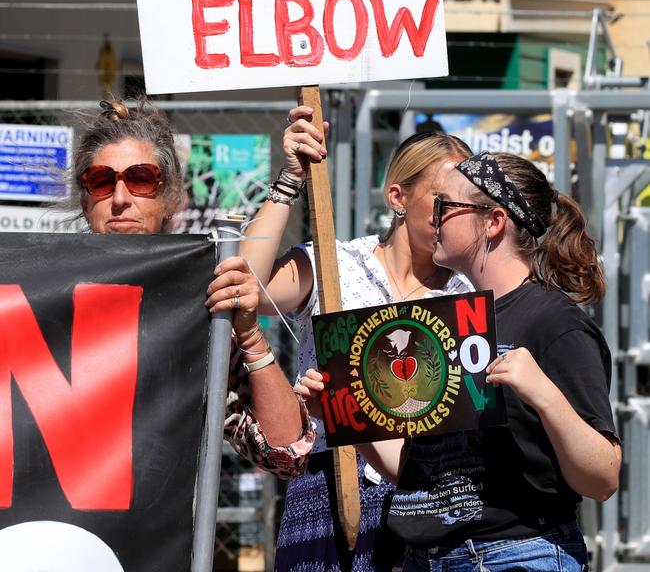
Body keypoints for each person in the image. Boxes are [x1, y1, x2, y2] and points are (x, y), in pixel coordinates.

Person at [226, 104, 472, 572]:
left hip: (433, 498)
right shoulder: (335, 266)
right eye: (443, 197)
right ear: (398, 197)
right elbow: (250, 287)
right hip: (329, 489)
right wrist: (288, 181)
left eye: (466, 201)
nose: (453, 213)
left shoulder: (466, 291)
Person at [359, 151, 621, 572]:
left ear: (494, 222)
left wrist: (544, 394)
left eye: (445, 206)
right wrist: (349, 409)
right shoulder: (450, 320)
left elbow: (603, 478)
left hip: (515, 555)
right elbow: (420, 473)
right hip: (426, 558)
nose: (434, 217)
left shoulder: (553, 322)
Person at [74, 96, 314, 475]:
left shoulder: (200, 306)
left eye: (140, 179)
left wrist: (248, 334)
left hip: (159, 528)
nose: (120, 199)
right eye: (101, 181)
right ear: (85, 200)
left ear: (170, 197)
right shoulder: (39, 293)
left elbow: (285, 453)